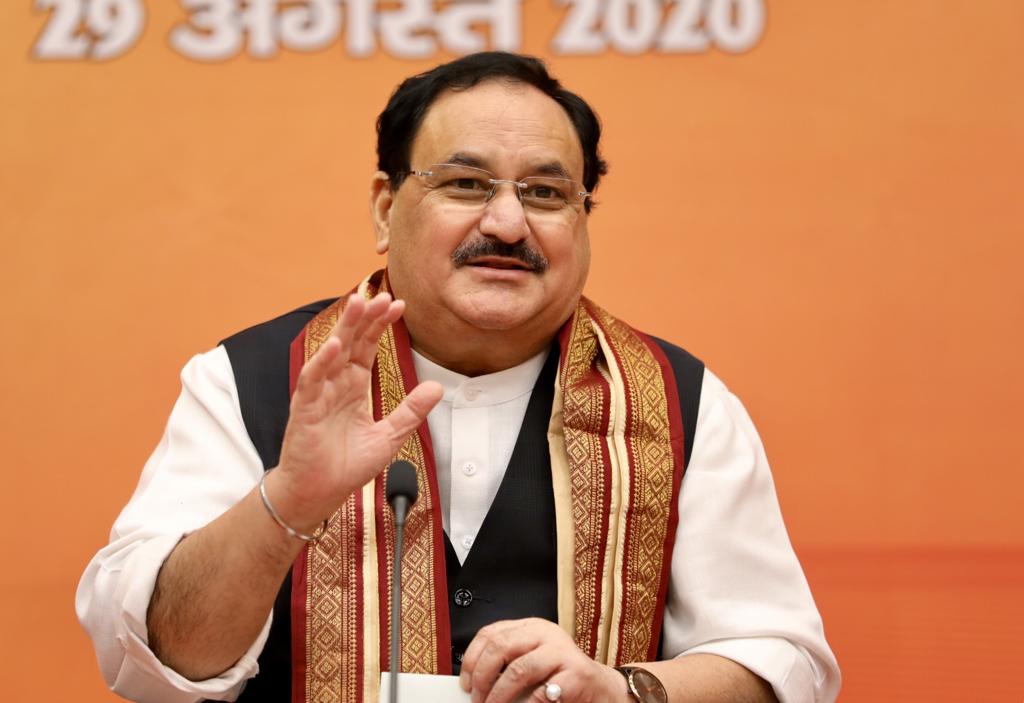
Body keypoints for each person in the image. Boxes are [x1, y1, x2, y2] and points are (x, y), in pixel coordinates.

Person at [77, 52, 840, 703]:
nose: (508, 224)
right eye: (467, 184)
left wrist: (624, 688)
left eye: (545, 192)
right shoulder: (249, 382)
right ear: (386, 208)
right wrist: (287, 501)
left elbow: (782, 659)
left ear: (582, 219)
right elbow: (150, 665)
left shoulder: (682, 400)